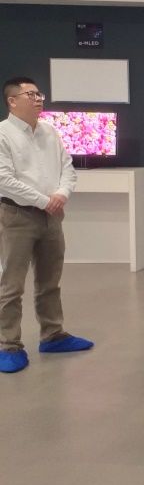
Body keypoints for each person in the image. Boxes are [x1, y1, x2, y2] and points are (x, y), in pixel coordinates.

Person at [0, 77, 93, 374]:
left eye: (39, 94)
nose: (38, 99)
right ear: (12, 101)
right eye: (30, 94)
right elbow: (4, 180)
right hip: (17, 216)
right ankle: (8, 345)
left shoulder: (50, 131)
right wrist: (44, 200)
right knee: (11, 285)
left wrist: (61, 194)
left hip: (51, 215)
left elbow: (67, 168)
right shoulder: (2, 134)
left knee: (50, 280)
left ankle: (53, 335)